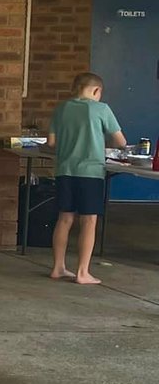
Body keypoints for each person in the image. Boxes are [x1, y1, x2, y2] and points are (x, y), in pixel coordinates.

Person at [47, 72, 126, 285]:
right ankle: (82, 272)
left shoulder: (61, 109)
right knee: (89, 220)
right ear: (96, 90)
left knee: (64, 219)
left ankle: (58, 267)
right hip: (90, 172)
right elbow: (121, 141)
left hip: (65, 170)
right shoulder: (101, 109)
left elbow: (51, 142)